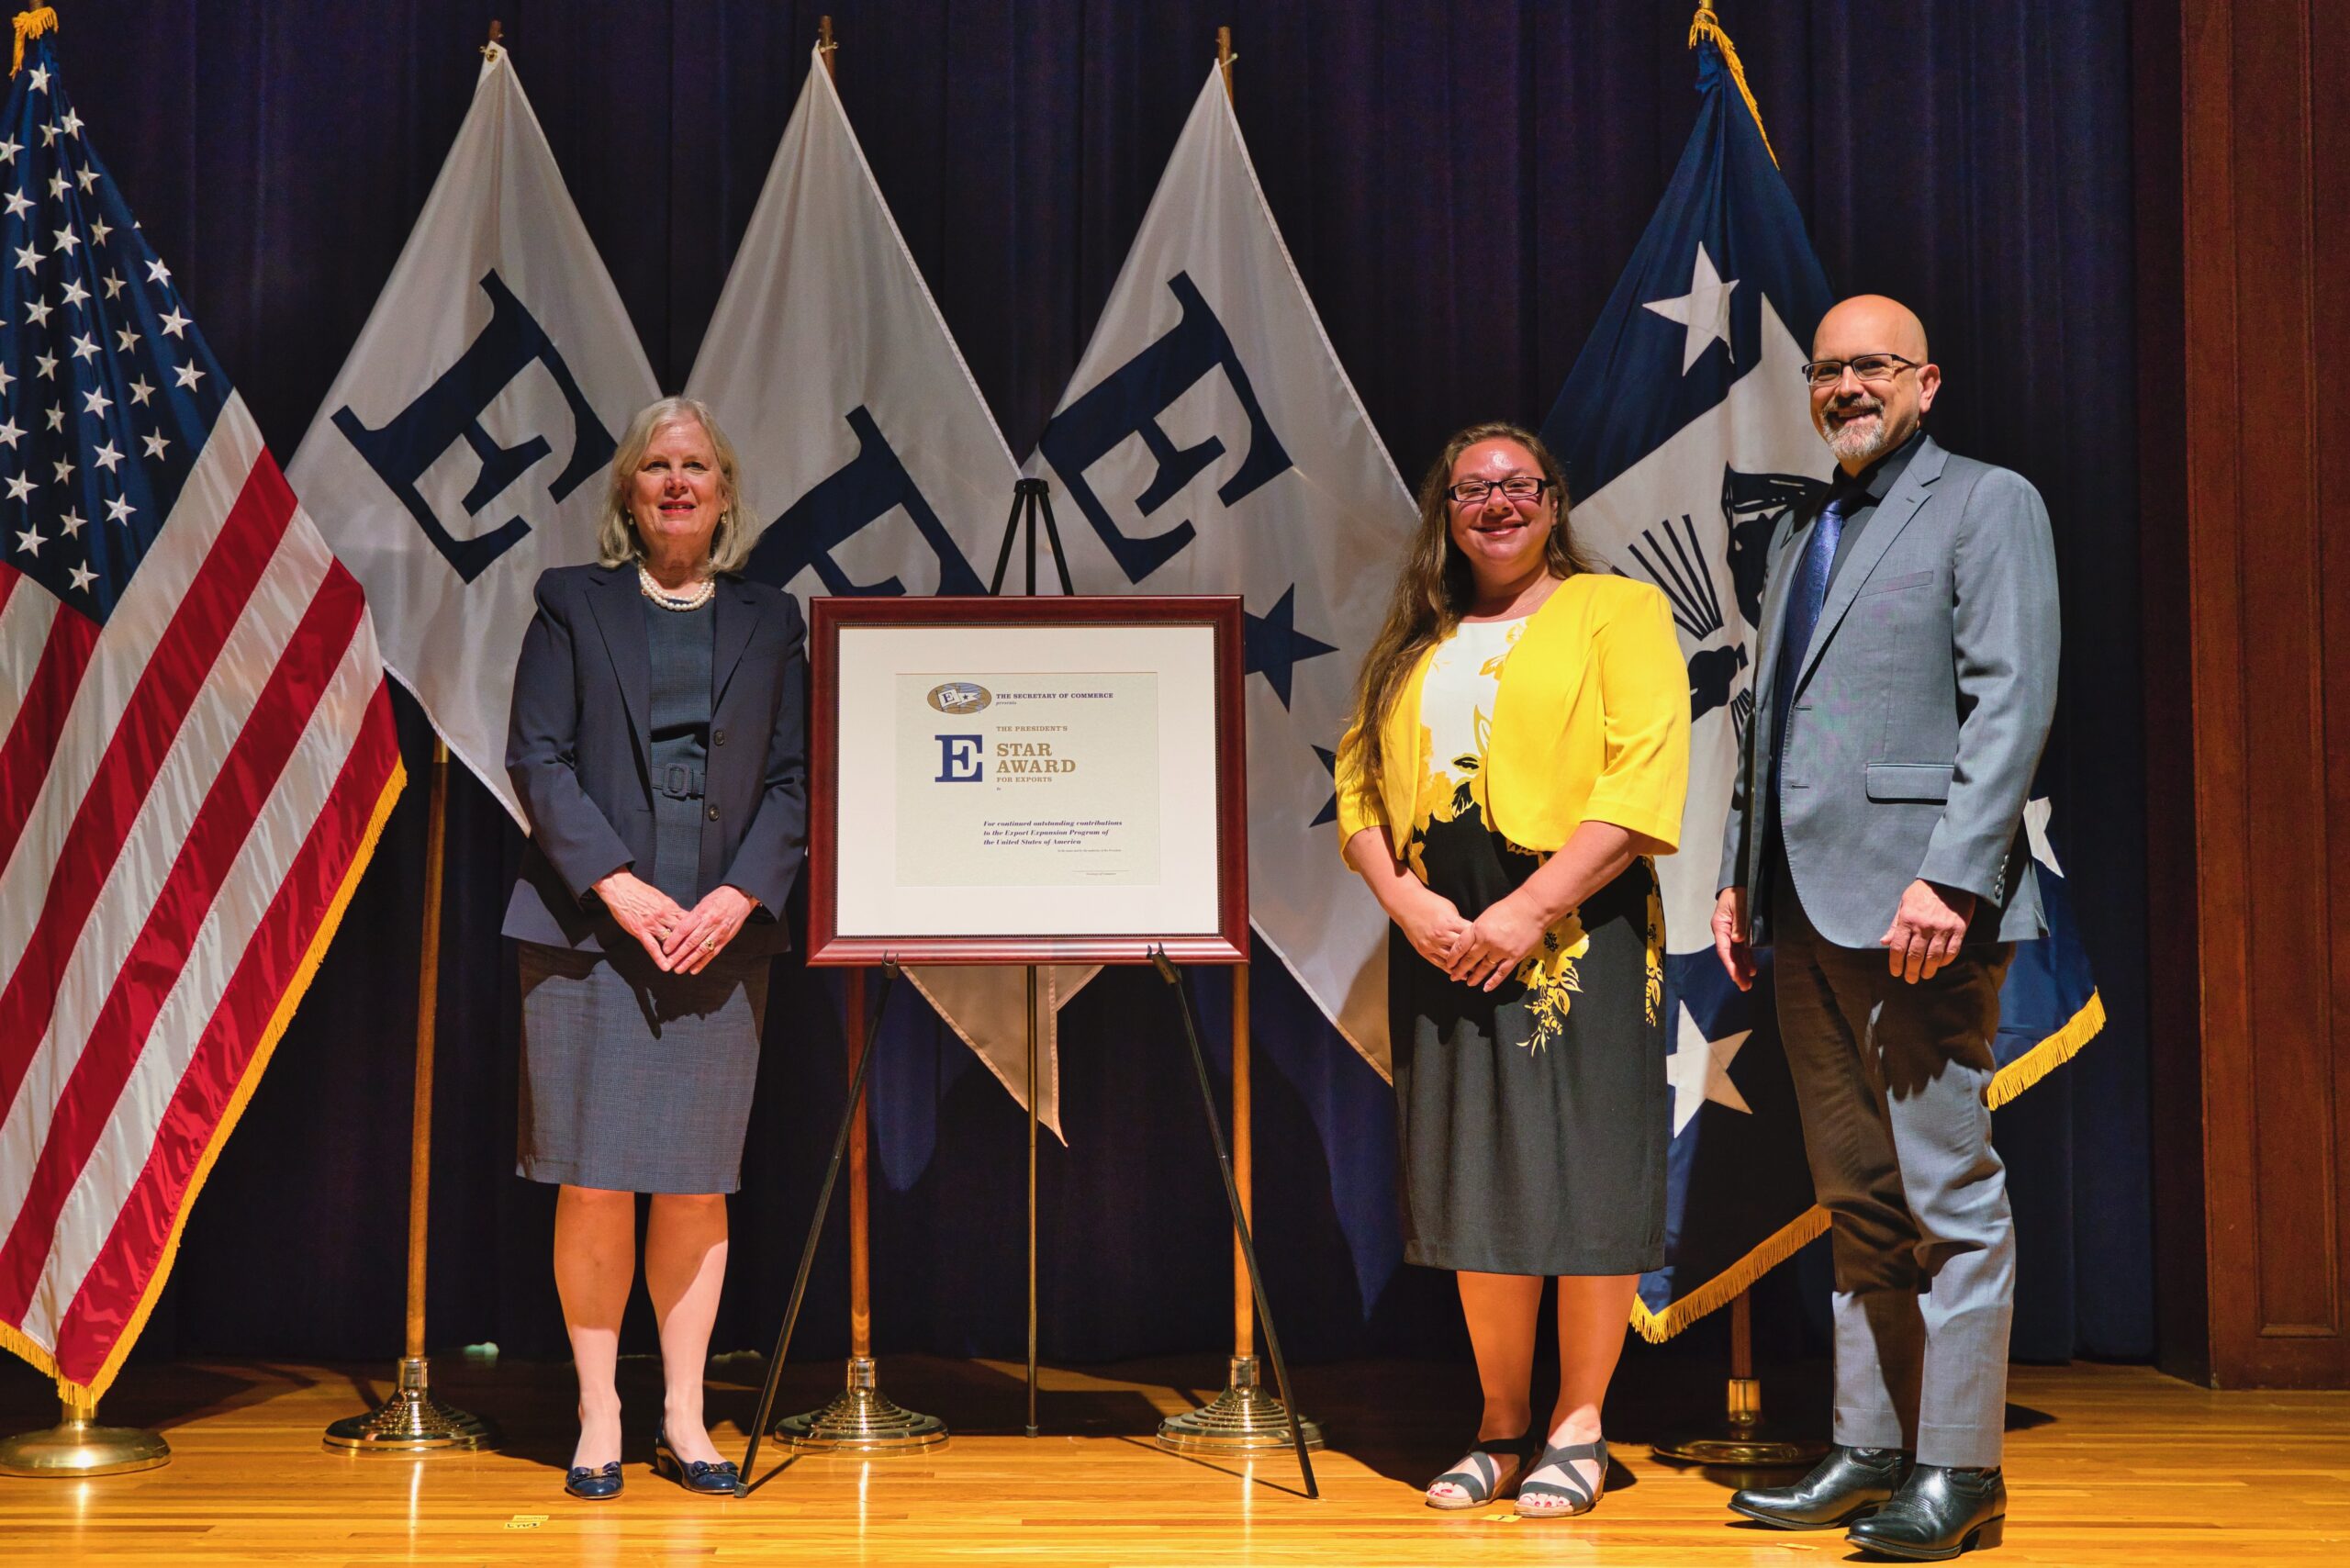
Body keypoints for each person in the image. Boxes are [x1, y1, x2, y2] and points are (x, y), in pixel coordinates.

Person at [1712, 296, 2058, 1560]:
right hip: (1802, 908)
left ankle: (1960, 1473)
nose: (1848, 386)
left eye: (1874, 367)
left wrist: (1955, 878)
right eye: (1829, 369)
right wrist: (1739, 874)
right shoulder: (1805, 529)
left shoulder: (1987, 500)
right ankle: (1871, 1447)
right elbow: (1772, 719)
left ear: (1928, 380)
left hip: (1920, 906)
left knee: (1946, 1193)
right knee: (1856, 1201)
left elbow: (2011, 703)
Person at [1335, 420, 1688, 1518]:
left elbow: (1642, 774)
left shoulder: (1615, 610)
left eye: (1516, 484)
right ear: (1446, 512)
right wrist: (1408, 902)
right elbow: (1355, 786)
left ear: (1552, 498)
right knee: (1477, 1174)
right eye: (1470, 489)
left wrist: (1531, 908)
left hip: (1579, 922)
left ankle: (1576, 1422)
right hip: (1445, 935)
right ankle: (1497, 1425)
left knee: (1584, 1167)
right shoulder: (1415, 636)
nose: (1495, 503)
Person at [503, 396, 807, 1500]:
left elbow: (793, 784)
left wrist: (738, 898)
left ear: (724, 494)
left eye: (696, 466)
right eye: (654, 467)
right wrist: (621, 889)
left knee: (691, 1183)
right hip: (589, 931)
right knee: (592, 1180)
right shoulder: (569, 606)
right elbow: (536, 759)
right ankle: (599, 1412)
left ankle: (684, 1416)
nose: (676, 482)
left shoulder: (775, 620)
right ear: (627, 495)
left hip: (720, 937)